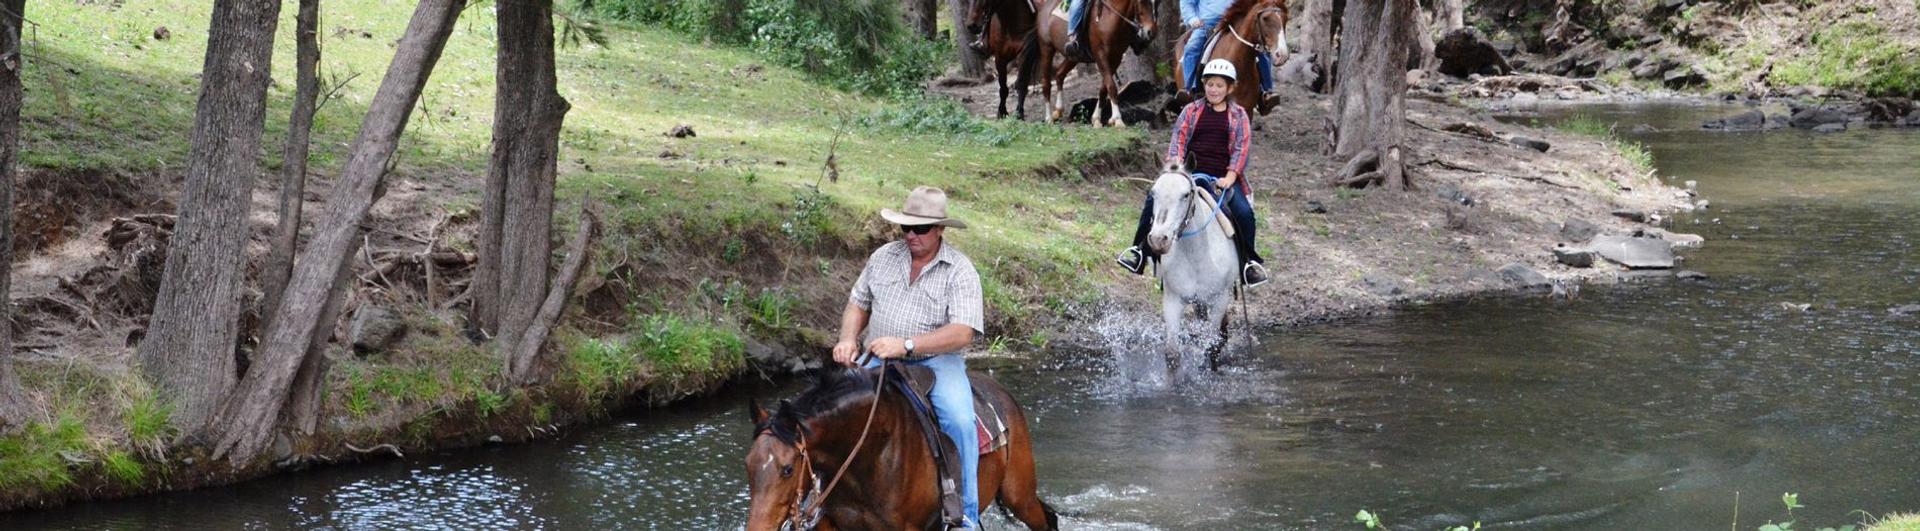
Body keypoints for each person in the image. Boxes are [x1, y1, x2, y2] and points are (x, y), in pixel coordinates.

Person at [832, 186, 987, 530]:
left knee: (960, 421)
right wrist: (846, 339)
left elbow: (963, 332)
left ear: (940, 230)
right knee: (833, 410)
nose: (912, 236)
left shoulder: (960, 270)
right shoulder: (883, 257)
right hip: (879, 357)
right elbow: (859, 302)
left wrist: (907, 344)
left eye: (921, 229)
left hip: (936, 361)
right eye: (907, 228)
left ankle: (965, 518)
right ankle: (821, 499)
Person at [1117, 59, 1269, 287]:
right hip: (1187, 174)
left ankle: (1248, 262)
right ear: (1204, 85)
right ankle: (1139, 251)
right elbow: (1178, 140)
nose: (1214, 90)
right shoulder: (1191, 111)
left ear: (1229, 88)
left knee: (1244, 213)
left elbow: (1241, 148)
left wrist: (1230, 176)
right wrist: (1177, 170)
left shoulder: (1239, 115)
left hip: (1223, 177)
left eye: (1219, 85)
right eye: (1210, 84)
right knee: (1152, 199)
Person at [1176, 0, 1275, 100]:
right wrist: (1192, 19)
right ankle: (1189, 88)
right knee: (1192, 47)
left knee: (1262, 48)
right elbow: (1186, 2)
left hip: (1239, 20)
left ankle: (1267, 91)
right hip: (1207, 23)